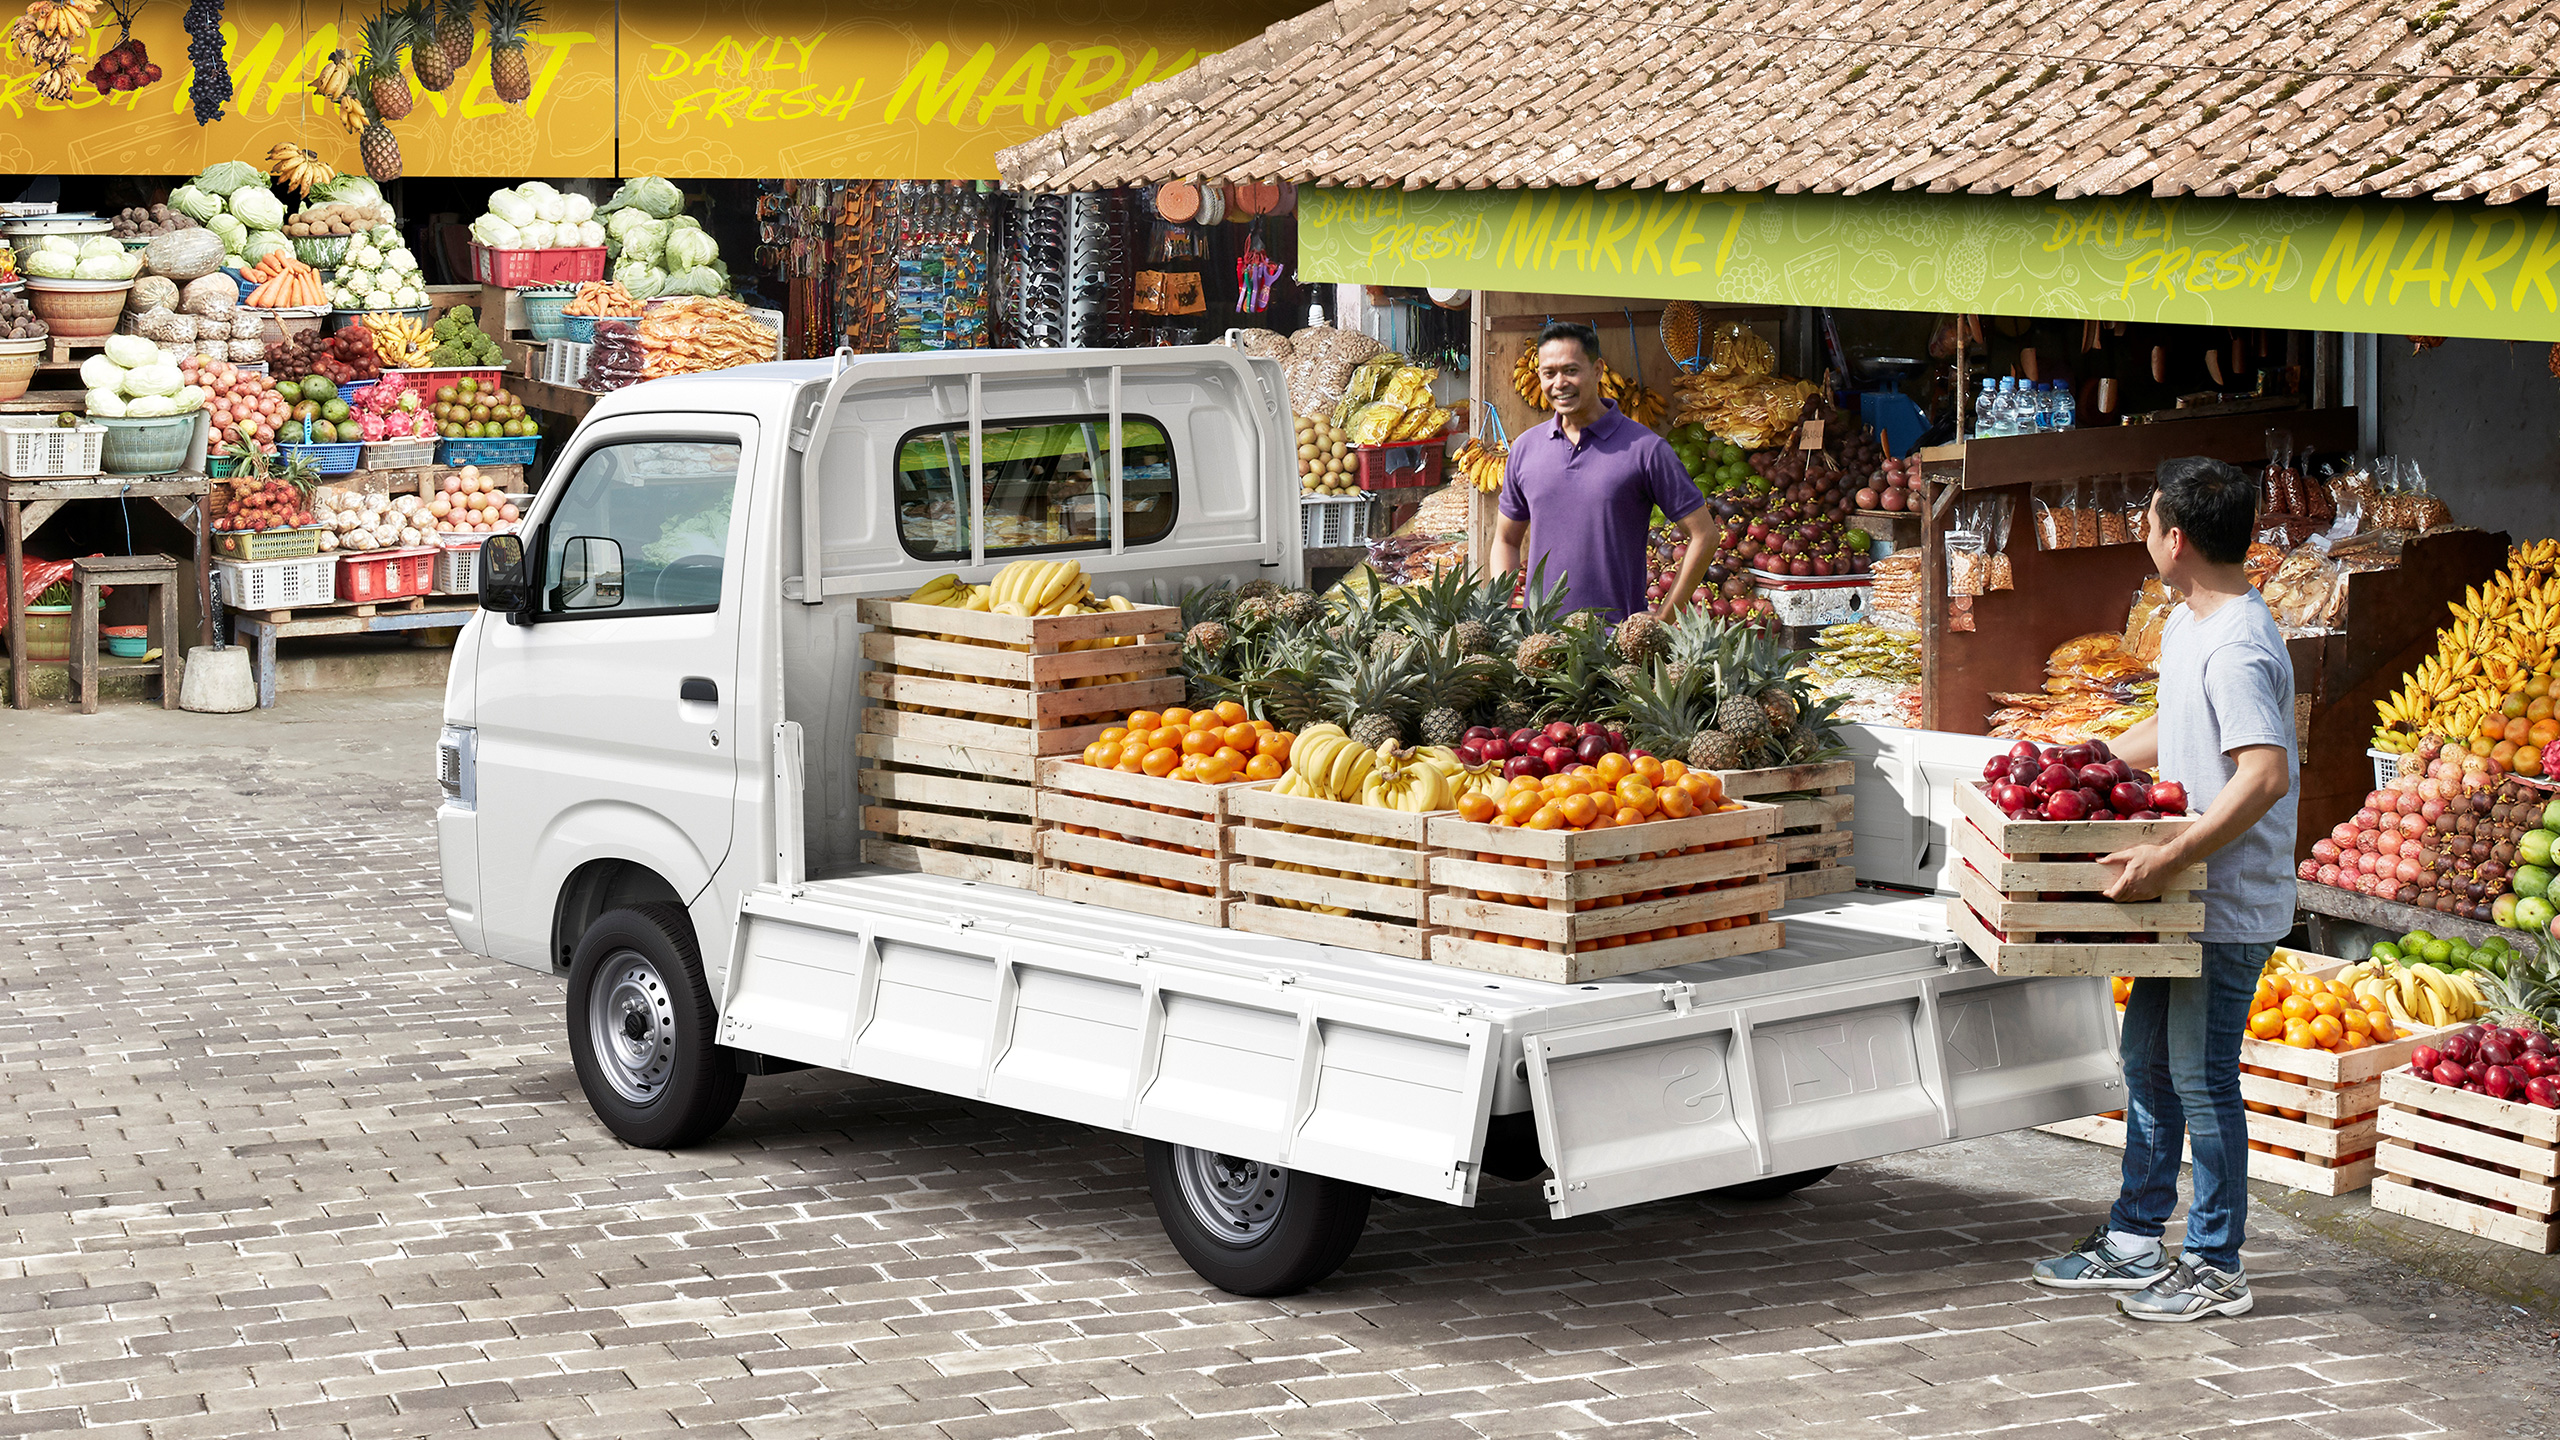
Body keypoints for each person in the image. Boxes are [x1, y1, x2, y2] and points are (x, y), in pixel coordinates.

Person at [2030, 455, 2297, 1322]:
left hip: (2223, 902)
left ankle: (2219, 1264)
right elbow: (2171, 725)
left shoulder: (2240, 644)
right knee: (2147, 1061)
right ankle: (2137, 1239)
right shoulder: (2188, 622)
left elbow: (2263, 777)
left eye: (2146, 521)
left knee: (2203, 1078)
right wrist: (2089, 758)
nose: (2142, 534)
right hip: (2181, 899)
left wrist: (2174, 855)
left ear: (2174, 538)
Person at [1489, 321, 1713, 620]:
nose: (1559, 383)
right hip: (1540, 641)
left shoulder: (1645, 449)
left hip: (1616, 646)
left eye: (1571, 370)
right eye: (1548, 373)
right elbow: (1505, 539)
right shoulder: (1526, 449)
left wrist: (1665, 619)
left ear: (1597, 370)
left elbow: (1705, 535)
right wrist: (1502, 616)